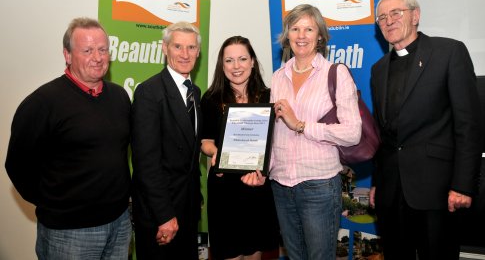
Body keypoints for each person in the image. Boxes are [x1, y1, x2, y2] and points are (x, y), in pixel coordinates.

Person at [5, 17, 132, 259]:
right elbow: (18, 166)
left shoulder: (119, 97)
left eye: (103, 49)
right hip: (69, 232)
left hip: (120, 223)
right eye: (87, 50)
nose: (97, 56)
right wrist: (57, 203)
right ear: (67, 54)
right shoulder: (42, 103)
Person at [369, 0, 482, 260]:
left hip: (438, 190)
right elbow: (383, 136)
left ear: (415, 15)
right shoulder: (378, 68)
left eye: (396, 13)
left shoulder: (449, 52)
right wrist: (377, 183)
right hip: (391, 192)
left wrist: (463, 185)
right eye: (382, 18)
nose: (388, 21)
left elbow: (468, 125)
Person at [269, 4, 362, 259]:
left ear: (320, 35)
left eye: (309, 29)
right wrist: (263, 167)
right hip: (281, 184)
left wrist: (301, 125)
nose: (301, 35)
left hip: (319, 184)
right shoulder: (278, 77)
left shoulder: (335, 73)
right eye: (295, 28)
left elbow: (353, 132)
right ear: (287, 35)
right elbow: (275, 131)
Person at [200, 36, 280, 260]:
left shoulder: (269, 96)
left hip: (257, 184)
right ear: (221, 64)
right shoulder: (211, 99)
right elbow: (205, 141)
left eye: (242, 59)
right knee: (230, 254)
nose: (236, 67)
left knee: (255, 253)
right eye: (229, 61)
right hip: (225, 188)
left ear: (253, 61)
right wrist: (215, 152)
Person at [131, 21, 203, 260]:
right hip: (161, 214)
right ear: (164, 49)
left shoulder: (196, 92)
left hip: (188, 209)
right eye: (178, 47)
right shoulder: (148, 92)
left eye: (191, 47)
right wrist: (164, 215)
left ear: (198, 52)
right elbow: (146, 163)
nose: (185, 54)